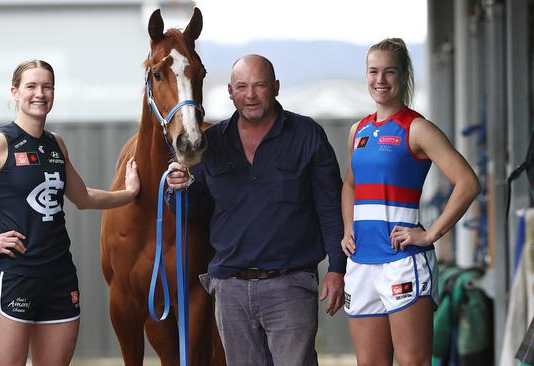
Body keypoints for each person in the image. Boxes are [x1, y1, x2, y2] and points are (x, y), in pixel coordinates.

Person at [0, 59, 140, 366]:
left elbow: (83, 197)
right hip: (14, 277)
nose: (40, 93)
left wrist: (130, 193)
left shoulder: (57, 145)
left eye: (47, 86)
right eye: (31, 86)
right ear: (14, 92)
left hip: (60, 278)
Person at [166, 54, 346, 365]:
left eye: (259, 85)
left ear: (276, 87)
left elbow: (330, 207)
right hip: (230, 290)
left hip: (290, 285)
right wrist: (176, 188)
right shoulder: (211, 143)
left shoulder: (307, 136)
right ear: (230, 91)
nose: (250, 95)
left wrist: (337, 268)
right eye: (242, 87)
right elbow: (193, 208)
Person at [340, 38, 481, 366]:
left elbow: (468, 183)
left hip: (402, 261)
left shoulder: (417, 128)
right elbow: (349, 184)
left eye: (389, 72)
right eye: (373, 71)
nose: (380, 80)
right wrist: (349, 227)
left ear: (403, 76)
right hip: (361, 261)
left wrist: (430, 234)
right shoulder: (357, 130)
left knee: (412, 362)